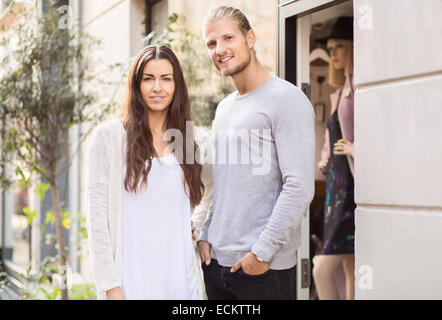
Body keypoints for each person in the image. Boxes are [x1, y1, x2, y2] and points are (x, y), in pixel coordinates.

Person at [197, 6, 315, 300]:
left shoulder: (287, 100)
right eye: (212, 43)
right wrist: (205, 234)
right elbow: (222, 185)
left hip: (263, 272)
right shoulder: (224, 109)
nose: (220, 49)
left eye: (228, 38)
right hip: (217, 267)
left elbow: (299, 187)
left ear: (249, 38)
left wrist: (261, 254)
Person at [85, 45, 213, 300]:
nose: (158, 87)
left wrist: (197, 226)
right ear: (136, 85)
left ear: (177, 86)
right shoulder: (109, 138)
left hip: (181, 284)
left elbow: (213, 192)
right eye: (148, 79)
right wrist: (111, 287)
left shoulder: (194, 141)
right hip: (129, 285)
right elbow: (97, 222)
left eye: (166, 78)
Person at [312, 16, 356, 300]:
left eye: (339, 46)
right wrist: (324, 159)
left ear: (353, 47)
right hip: (335, 187)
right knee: (351, 266)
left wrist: (356, 148)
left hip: (351, 189)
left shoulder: (362, 89)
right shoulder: (338, 92)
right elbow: (331, 138)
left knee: (320, 269)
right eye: (330, 48)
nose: (333, 54)